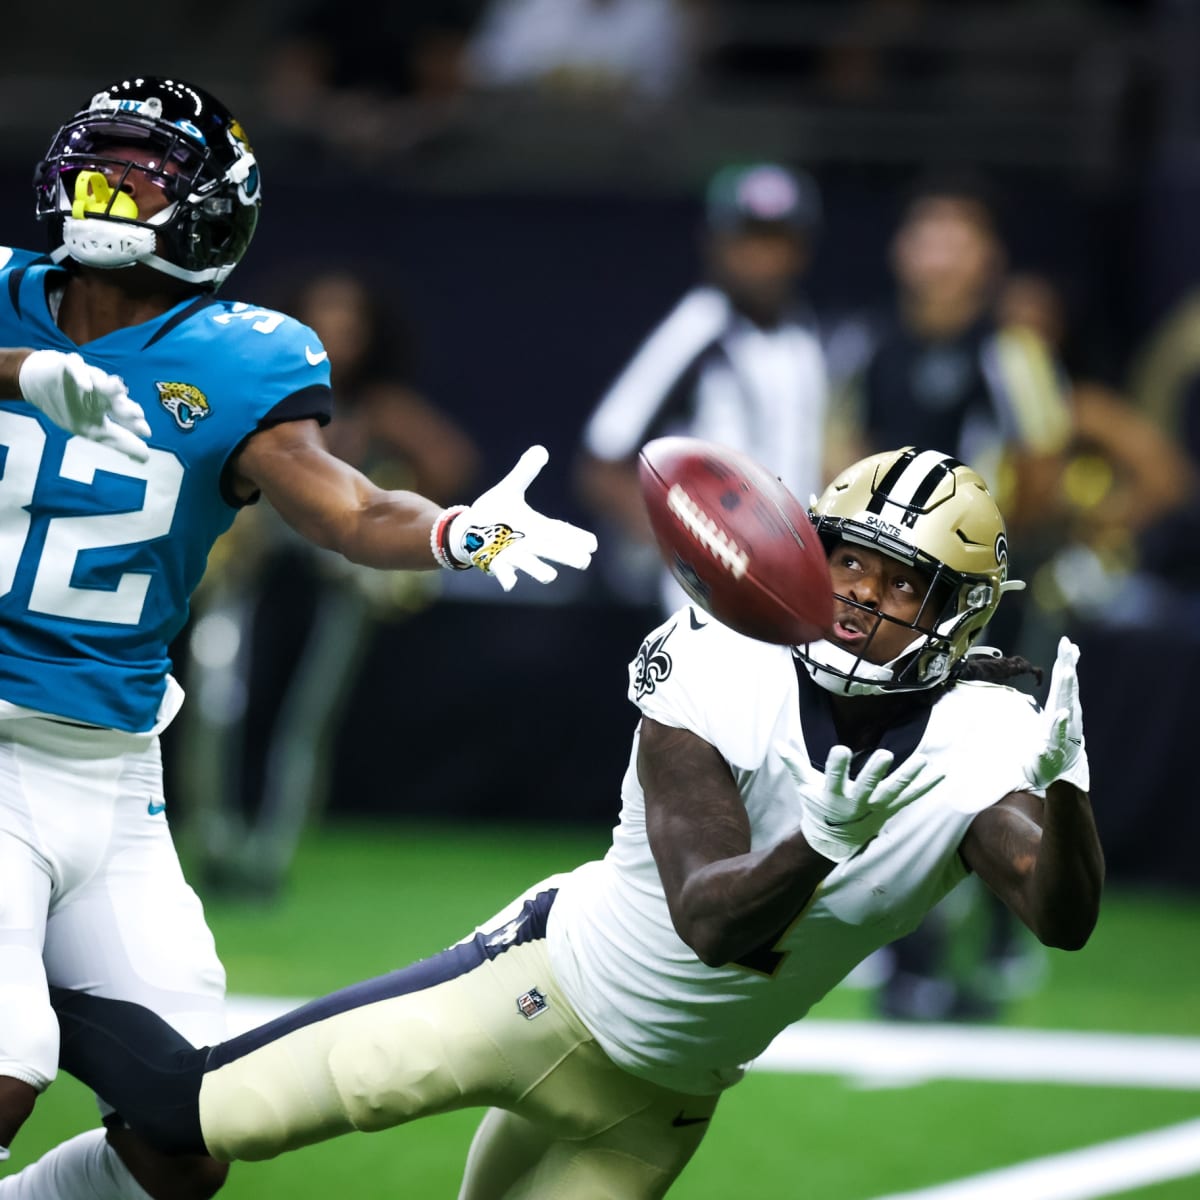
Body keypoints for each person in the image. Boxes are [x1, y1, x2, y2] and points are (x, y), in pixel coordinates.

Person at [48, 446, 1103, 1199]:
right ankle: (26, 989)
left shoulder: (985, 736)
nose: (861, 597)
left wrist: (1070, 794)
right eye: (849, 560)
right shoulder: (720, 654)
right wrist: (820, 844)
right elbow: (710, 919)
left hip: (662, 1107)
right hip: (537, 993)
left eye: (901, 581)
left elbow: (1059, 916)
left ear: (959, 611)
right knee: (188, 1117)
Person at [0, 75, 594, 1199]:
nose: (106, 194)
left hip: (112, 774)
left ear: (211, 209)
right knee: (8, 1059)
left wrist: (458, 531)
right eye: (97, 167)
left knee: (185, 1136)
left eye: (141, 176)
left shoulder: (238, 358)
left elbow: (352, 507)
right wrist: (26, 373)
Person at [177, 267, 482, 897]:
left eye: (351, 324)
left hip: (332, 577)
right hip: (250, 567)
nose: (339, 336)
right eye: (326, 320)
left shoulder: (378, 406)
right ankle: (212, 839)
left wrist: (407, 502)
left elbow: (450, 460)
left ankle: (268, 857)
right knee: (216, 702)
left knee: (302, 718)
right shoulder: (261, 388)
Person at [576, 160, 831, 611]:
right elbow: (602, 464)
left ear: (801, 250)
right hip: (712, 605)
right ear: (716, 244)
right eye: (748, 240)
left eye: (777, 241)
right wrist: (698, 553)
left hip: (797, 594)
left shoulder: (804, 333)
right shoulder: (697, 329)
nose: (762, 259)